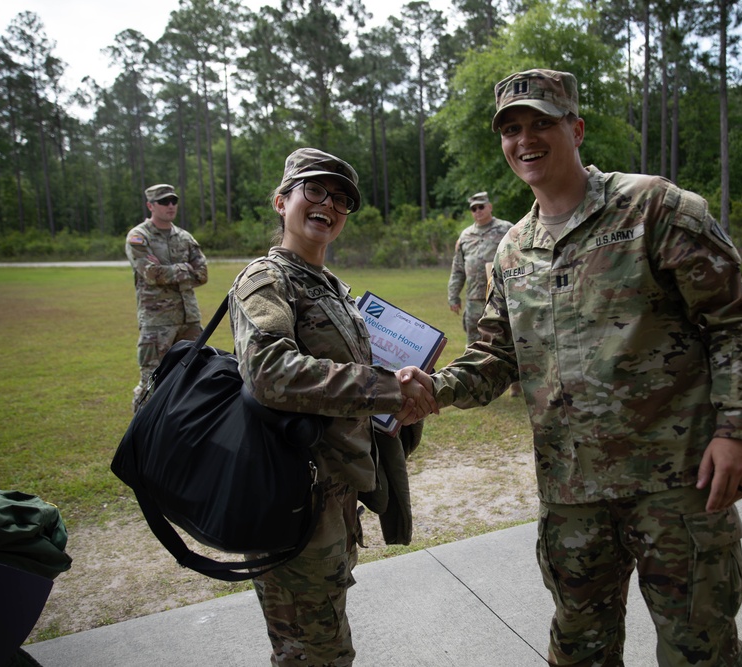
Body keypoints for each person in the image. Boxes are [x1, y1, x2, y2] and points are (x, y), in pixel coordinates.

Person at [400, 69, 742, 666]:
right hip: (572, 493)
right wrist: (433, 390)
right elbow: (497, 356)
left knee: (700, 650)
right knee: (579, 650)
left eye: (542, 123)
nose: (526, 139)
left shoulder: (653, 206)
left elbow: (732, 321)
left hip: (675, 487)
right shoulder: (511, 248)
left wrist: (739, 431)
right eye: (512, 129)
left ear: (575, 129)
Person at [228, 147, 435, 666]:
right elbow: (270, 373)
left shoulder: (332, 289)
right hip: (291, 501)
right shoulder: (265, 280)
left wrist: (398, 408)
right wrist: (387, 388)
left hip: (334, 498)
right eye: (314, 191)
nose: (329, 204)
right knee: (313, 653)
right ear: (282, 202)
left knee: (321, 641)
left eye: (341, 199)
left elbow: (347, 391)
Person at [125, 184, 208, 412]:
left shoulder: (185, 237)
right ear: (150, 205)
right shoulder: (139, 237)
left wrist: (168, 269)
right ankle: (139, 435)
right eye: (163, 202)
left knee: (193, 378)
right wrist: (184, 268)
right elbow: (150, 273)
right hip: (157, 322)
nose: (170, 205)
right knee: (151, 382)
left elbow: (202, 274)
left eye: (173, 200)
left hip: (189, 320)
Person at [447, 192, 520, 397]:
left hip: (502, 296)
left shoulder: (507, 229)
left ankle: (516, 383)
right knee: (474, 342)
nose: (478, 211)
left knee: (509, 339)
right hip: (474, 299)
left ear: (489, 207)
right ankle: (475, 386)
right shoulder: (465, 236)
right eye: (474, 208)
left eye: (481, 207)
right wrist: (453, 296)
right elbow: (458, 268)